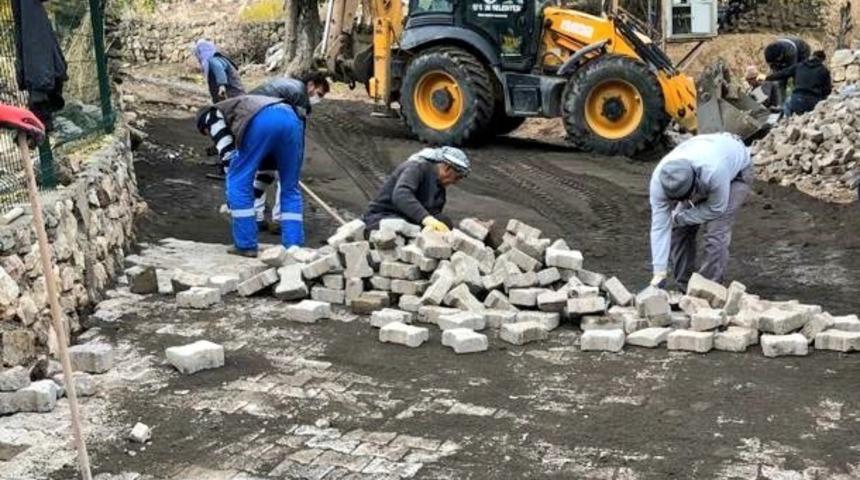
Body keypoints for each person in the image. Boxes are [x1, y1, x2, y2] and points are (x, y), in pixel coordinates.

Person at [649, 133, 753, 291]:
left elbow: (715, 208)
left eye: (687, 198)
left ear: (695, 182)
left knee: (715, 233)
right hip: (708, 157)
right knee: (679, 230)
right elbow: (659, 226)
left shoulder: (714, 171)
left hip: (736, 174)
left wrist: (681, 218)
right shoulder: (659, 183)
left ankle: (708, 291)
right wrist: (659, 273)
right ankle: (684, 287)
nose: (684, 203)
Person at [212, 95, 305, 256]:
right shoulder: (244, 104)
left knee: (238, 182)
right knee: (290, 188)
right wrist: (255, 193)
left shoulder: (210, 114)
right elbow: (267, 172)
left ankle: (245, 244)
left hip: (263, 120)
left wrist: (232, 202)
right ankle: (293, 246)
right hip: (293, 120)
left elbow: (228, 157)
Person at [247, 72, 330, 231]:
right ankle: (280, 220)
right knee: (285, 177)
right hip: (266, 126)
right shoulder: (299, 94)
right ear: (311, 85)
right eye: (318, 94)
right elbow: (298, 129)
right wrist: (294, 160)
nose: (317, 99)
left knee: (264, 172)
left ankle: (256, 217)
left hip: (254, 124)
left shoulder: (285, 86)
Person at [363, 147, 470, 232]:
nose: (455, 182)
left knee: (444, 222)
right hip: (381, 217)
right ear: (447, 168)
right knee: (400, 227)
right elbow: (401, 195)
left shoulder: (439, 188)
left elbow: (434, 212)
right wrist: (426, 219)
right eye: (456, 177)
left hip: (408, 219)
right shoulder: (416, 167)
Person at [766, 50, 832, 117]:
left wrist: (767, 77)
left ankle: (787, 122)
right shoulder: (824, 70)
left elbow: (782, 74)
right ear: (822, 60)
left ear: (811, 56)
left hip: (797, 100)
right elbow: (827, 90)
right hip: (813, 102)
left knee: (787, 102)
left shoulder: (799, 66)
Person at [763, 37, 811, 104]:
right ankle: (782, 103)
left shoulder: (790, 51)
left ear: (780, 56)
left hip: (802, 51)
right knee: (780, 82)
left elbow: (791, 71)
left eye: (776, 62)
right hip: (782, 54)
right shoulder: (769, 53)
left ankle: (800, 99)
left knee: (798, 76)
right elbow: (776, 73)